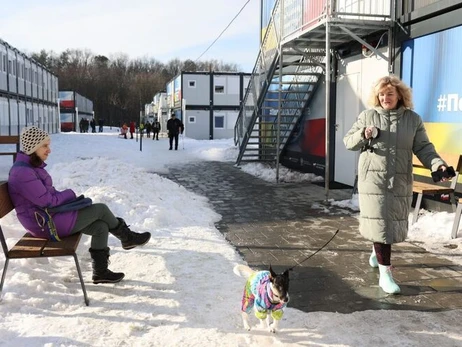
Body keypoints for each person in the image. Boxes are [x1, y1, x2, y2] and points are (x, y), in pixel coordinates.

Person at [343, 75, 448, 295]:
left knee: (385, 225)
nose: (385, 98)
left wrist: (437, 164)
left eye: (389, 93)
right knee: (380, 223)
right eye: (381, 94)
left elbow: (424, 148)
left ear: (400, 95)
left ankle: (376, 253)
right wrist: (363, 134)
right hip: (373, 179)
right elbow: (348, 142)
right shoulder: (368, 116)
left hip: (399, 180)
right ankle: (385, 275)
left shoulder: (412, 120)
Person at [8, 126, 152, 284]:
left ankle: (101, 272)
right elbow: (47, 200)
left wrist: (69, 199)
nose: (49, 150)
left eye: (48, 145)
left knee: (100, 227)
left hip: (47, 218)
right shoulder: (22, 173)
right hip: (45, 224)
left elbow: (48, 196)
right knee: (101, 209)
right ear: (33, 148)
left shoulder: (30, 168)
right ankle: (127, 238)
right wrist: (69, 194)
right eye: (45, 146)